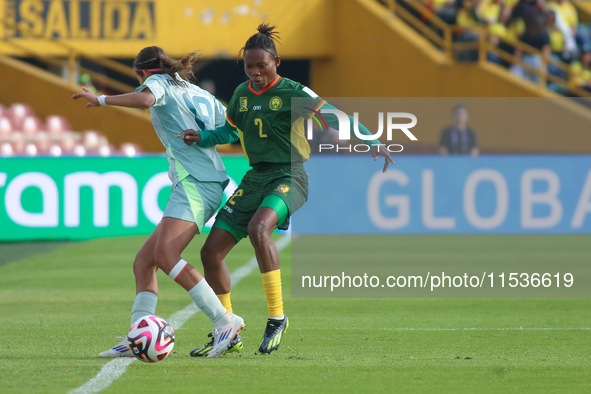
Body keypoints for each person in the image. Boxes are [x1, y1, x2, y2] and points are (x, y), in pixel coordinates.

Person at [179, 23, 394, 356]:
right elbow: (231, 132)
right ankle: (227, 328)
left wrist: (372, 141)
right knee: (210, 253)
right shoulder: (242, 95)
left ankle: (277, 317)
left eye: (261, 66)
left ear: (276, 62)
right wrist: (203, 137)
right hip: (255, 178)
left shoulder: (294, 92)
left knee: (257, 229)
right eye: (249, 67)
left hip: (290, 176)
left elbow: (335, 116)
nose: (255, 73)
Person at [71, 46, 245, 359]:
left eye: (140, 79)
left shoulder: (159, 84)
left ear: (142, 72)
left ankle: (225, 320)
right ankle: (138, 336)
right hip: (205, 181)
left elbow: (146, 98)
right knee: (144, 261)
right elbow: (230, 132)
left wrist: (100, 99)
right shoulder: (196, 92)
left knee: (165, 255)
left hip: (195, 182)